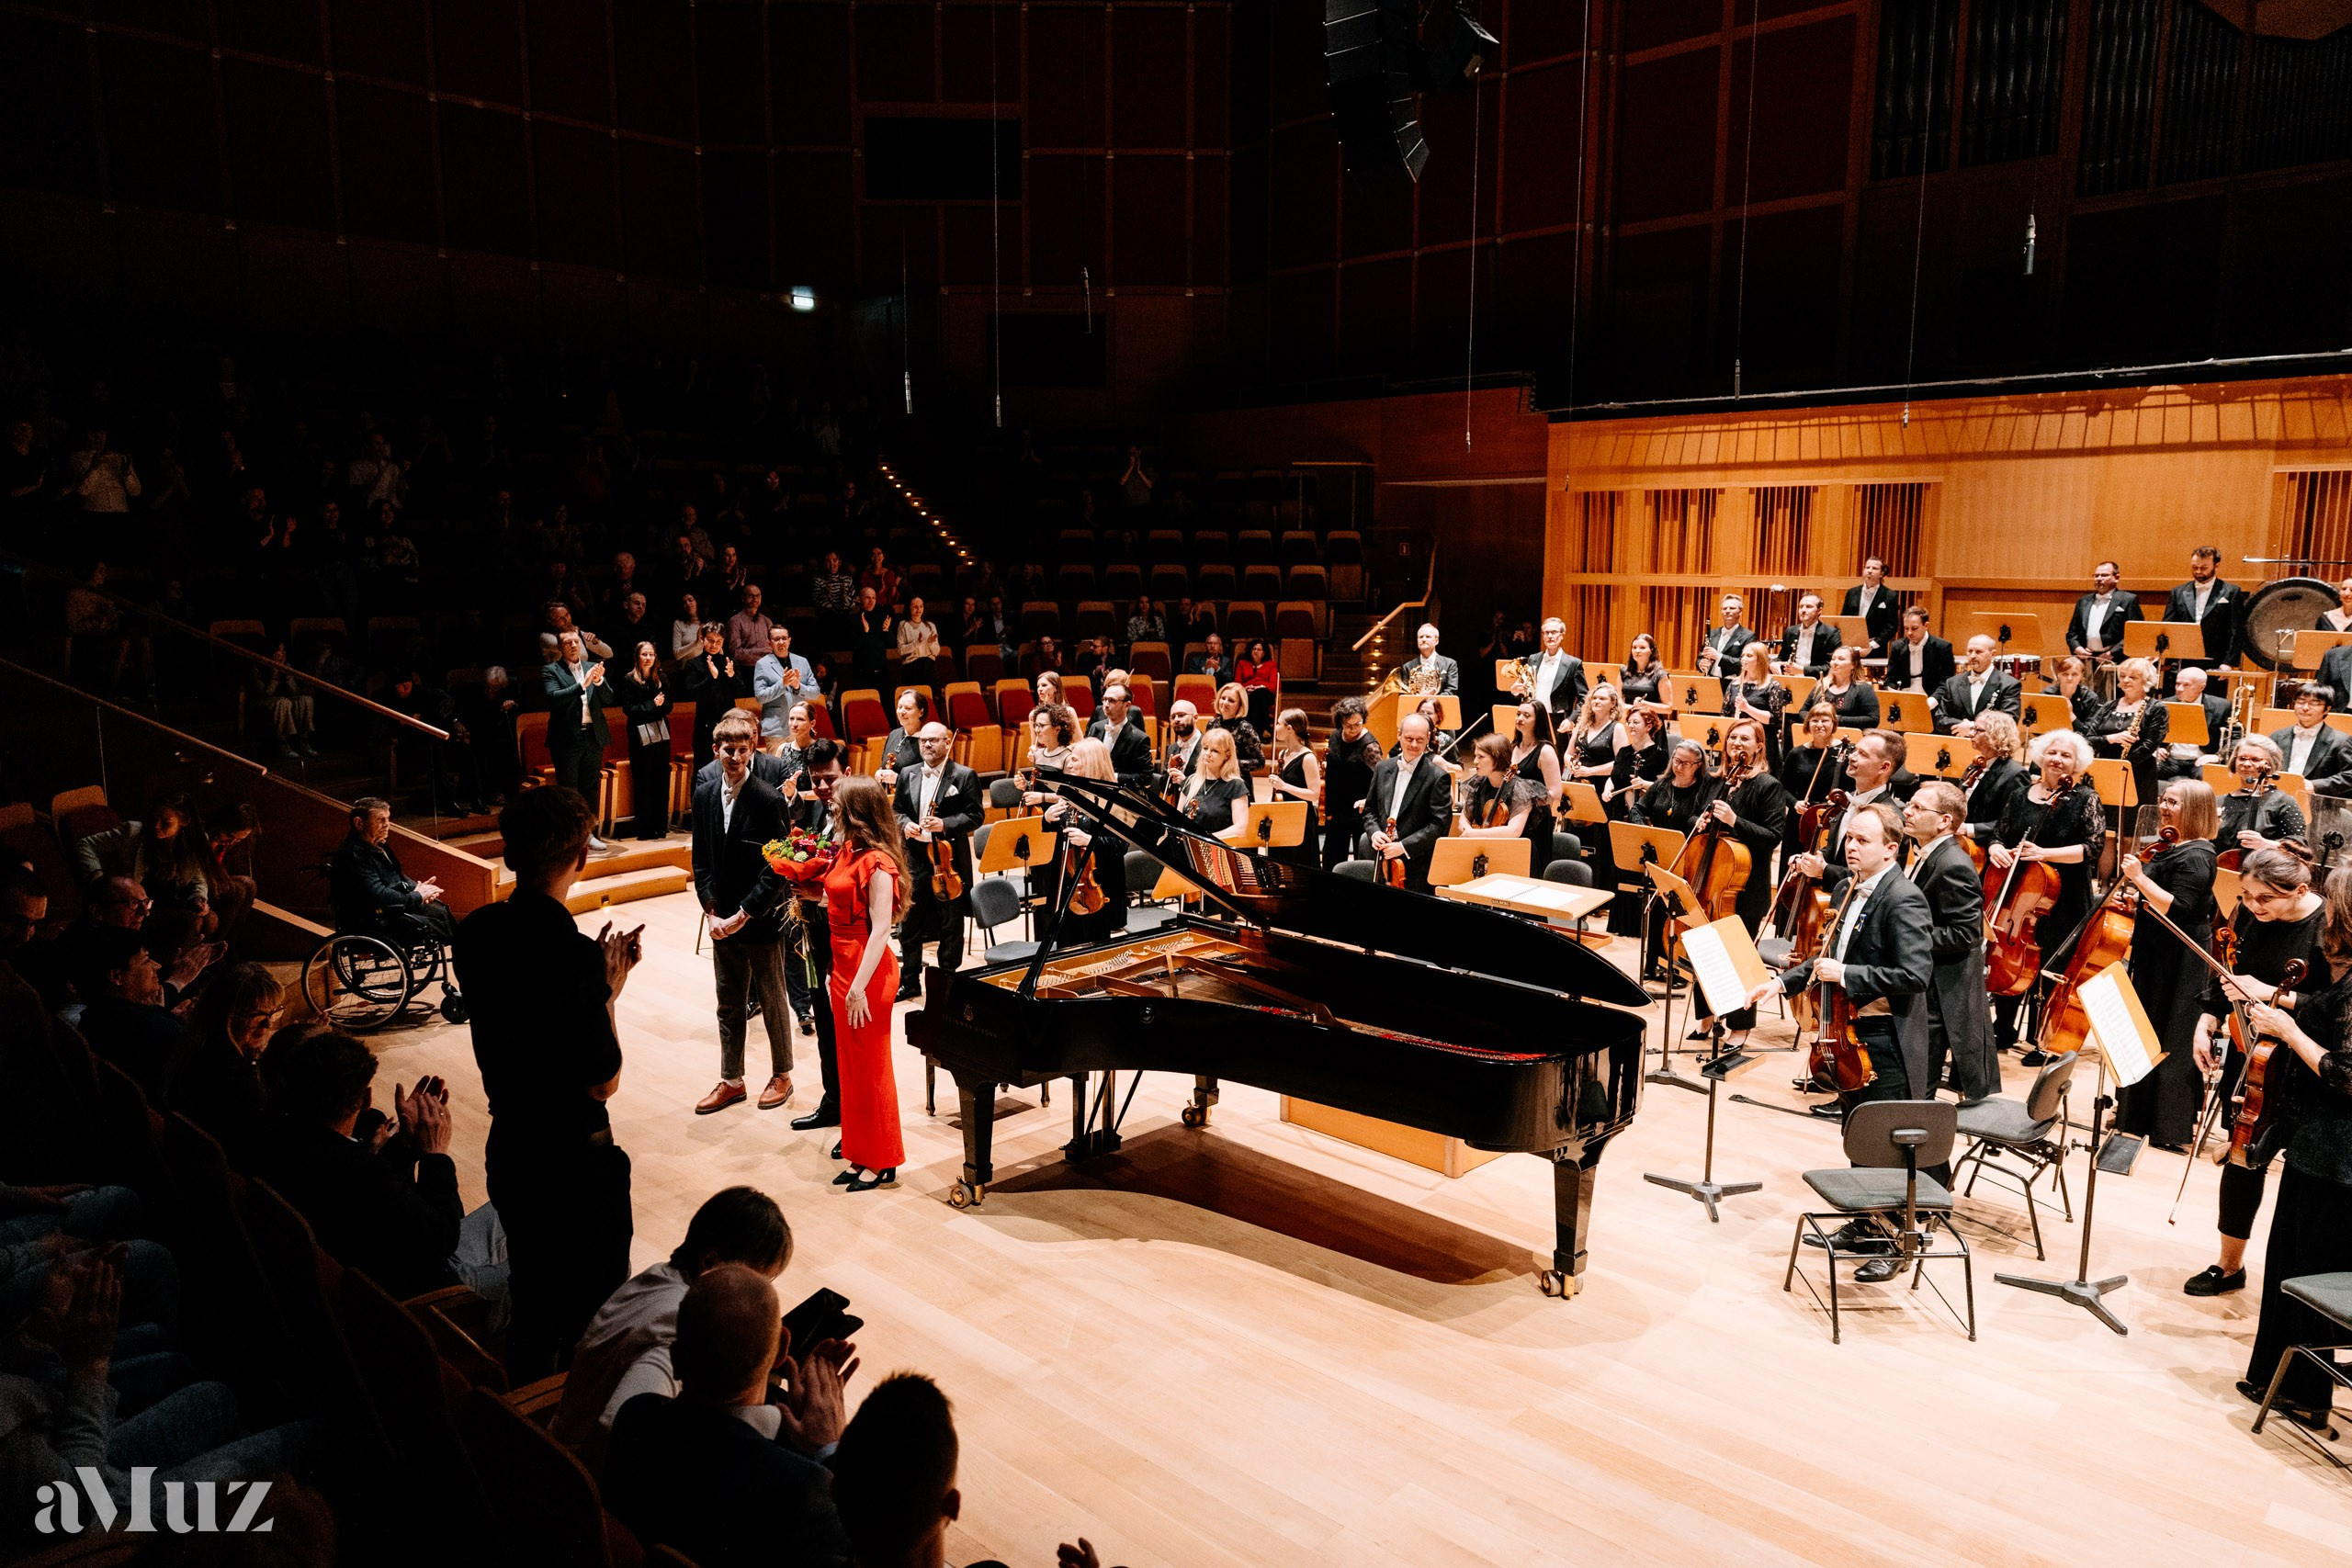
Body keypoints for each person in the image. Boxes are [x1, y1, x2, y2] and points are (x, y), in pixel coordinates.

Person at [452, 787, 640, 1379]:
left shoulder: (476, 933)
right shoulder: (576, 957)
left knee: (532, 1291)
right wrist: (608, 992)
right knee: (591, 1317)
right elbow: (603, 1082)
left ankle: (520, 1417)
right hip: (574, 1167)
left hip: (511, 1144)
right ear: (580, 856)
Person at [1747, 801, 1936, 1283]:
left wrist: (1848, 974)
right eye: (1849, 838)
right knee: (1857, 1132)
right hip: (1849, 1032)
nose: (1850, 847)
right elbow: (1829, 955)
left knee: (1886, 1142)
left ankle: (1896, 1240)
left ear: (1891, 848)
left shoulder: (1904, 897)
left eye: (1862, 840)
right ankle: (1865, 1224)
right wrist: (1783, 983)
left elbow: (1914, 974)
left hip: (1885, 1036)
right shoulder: (1850, 887)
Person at [602, 1264, 854, 1568]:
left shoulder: (636, 1417)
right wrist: (829, 1450)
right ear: (781, 1350)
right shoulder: (805, 1493)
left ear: (677, 1359)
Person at [551, 1185, 800, 1469]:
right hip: (583, 1481)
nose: (758, 1293)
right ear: (710, 1263)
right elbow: (618, 1425)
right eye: (758, 1280)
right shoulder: (680, 1326)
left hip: (562, 1445)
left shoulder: (659, 1275)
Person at [2182, 843, 2329, 1300]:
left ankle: (2311, 1283)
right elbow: (2228, 971)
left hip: (2310, 1066)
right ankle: (2229, 1266)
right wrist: (2207, 1019)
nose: (2251, 907)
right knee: (2242, 1162)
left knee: (2309, 1181)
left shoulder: (2330, 930)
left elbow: (2333, 1012)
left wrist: (2271, 995)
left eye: (2264, 899)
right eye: (2245, 895)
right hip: (2254, 1059)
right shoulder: (2250, 915)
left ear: (2301, 890)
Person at [251, 1031, 493, 1305]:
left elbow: (391, 1203)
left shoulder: (272, 1139)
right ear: (366, 1099)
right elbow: (442, 1237)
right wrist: (435, 1155)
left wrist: (404, 1146)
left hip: (360, 1284)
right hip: (430, 1296)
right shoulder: (359, 1171)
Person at [2234, 869, 2352, 1430]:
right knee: (2289, 1259)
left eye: (2332, 903)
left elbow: (2347, 1074)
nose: (2323, 911)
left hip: (2336, 1153)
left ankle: (2305, 1393)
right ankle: (2275, 1378)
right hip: (2321, 1144)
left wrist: (2286, 1028)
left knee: (2307, 1265)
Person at [693, 710, 796, 1117]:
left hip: (760, 918)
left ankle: (782, 1074)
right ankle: (732, 1079)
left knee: (772, 999)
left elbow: (778, 867)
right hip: (723, 920)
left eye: (742, 749)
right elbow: (701, 859)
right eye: (727, 750)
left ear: (752, 750)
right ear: (716, 750)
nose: (734, 757)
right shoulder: (703, 795)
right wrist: (712, 909)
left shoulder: (768, 799)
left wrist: (744, 913)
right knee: (729, 1002)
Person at [2113, 779, 2222, 1149]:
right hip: (2156, 950)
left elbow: (2179, 909)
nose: (2163, 806)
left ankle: (2167, 1125)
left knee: (2172, 1033)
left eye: (2173, 802)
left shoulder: (2198, 855)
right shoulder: (2174, 847)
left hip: (2180, 954)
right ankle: (2137, 1114)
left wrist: (2139, 879)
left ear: (2192, 810)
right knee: (2147, 1027)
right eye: (2163, 799)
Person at [1986, 730, 2104, 1060]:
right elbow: (1999, 833)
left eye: (2066, 755)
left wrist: (2045, 854)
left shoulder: (2085, 798)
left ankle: (2041, 1039)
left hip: (2061, 894)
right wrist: (1997, 849)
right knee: (2011, 954)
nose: (2057, 759)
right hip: (2020, 890)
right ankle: (2004, 1027)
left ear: (2076, 763)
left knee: (2050, 963)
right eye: (2053, 752)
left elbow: (2092, 848)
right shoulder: (2022, 794)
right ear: (2041, 756)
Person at [826, 776, 907, 1191]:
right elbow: (835, 905)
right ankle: (859, 1151)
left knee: (871, 1065)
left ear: (856, 811)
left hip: (867, 972)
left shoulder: (878, 863)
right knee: (851, 1067)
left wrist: (857, 986)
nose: (832, 809)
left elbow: (881, 932)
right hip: (842, 967)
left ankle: (882, 1158)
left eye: (838, 804)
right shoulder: (847, 851)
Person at [1687, 719, 1788, 1043]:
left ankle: (1740, 1026)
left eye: (1745, 738)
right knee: (1703, 951)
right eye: (1733, 738)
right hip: (1709, 879)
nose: (1737, 744)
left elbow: (1773, 836)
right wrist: (1699, 820)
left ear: (1759, 745)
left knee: (1738, 957)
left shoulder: (1768, 785)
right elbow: (1692, 814)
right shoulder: (1716, 780)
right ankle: (1705, 1018)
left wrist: (1735, 820)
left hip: (1744, 885)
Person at [1902, 783, 1997, 1105]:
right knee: (1914, 1080)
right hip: (1927, 984)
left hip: (1939, 993)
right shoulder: (1928, 853)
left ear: (1944, 821)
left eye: (1917, 808)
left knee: (1920, 1087)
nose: (1907, 811)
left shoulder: (1953, 864)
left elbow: (1966, 934)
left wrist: (1907, 938)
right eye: (1909, 804)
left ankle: (1920, 1147)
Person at [784, 740, 850, 1133]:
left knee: (845, 1033)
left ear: (847, 771)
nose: (823, 786)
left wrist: (820, 895)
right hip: (819, 936)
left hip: (847, 943)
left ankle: (853, 1114)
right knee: (825, 1023)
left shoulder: (861, 818)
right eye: (816, 779)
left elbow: (871, 891)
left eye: (830, 778)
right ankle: (833, 1101)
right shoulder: (818, 812)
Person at [894, 723, 979, 998]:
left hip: (948, 859)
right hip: (915, 859)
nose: (927, 745)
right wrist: (905, 824)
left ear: (946, 742)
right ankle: (909, 980)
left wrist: (944, 823)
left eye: (933, 740)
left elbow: (976, 816)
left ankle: (948, 981)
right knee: (910, 923)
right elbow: (896, 811)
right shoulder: (907, 774)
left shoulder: (964, 776)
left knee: (950, 924)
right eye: (923, 741)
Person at [165, 962, 282, 1159]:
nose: (269, 1023)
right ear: (228, 1015)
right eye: (257, 1015)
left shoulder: (194, 1045)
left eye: (273, 1012)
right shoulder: (238, 1081)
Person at [73, 928, 186, 1101]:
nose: (157, 965)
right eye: (146, 960)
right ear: (117, 976)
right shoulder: (156, 1029)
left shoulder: (91, 1019)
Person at [329, 796, 456, 949]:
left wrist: (420, 889)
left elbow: (397, 876)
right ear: (359, 823)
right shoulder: (353, 855)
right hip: (371, 918)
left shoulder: (380, 844)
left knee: (441, 910)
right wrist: (416, 896)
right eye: (381, 820)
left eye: (388, 819)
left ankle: (465, 946)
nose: (387, 825)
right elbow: (377, 894)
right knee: (436, 926)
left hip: (388, 909)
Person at [1042, 738, 1130, 944]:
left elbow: (1121, 845)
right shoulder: (1069, 793)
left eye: (1074, 760)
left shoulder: (1113, 800)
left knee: (1096, 948)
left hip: (1098, 886)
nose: (1069, 764)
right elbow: (1062, 831)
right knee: (1065, 945)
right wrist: (1047, 819)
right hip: (1068, 883)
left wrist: (1090, 840)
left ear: (1091, 762)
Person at [541, 630, 613, 843]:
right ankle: (571, 836)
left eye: (576, 641)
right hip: (567, 739)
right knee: (569, 789)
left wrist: (599, 682)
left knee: (590, 787)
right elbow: (554, 698)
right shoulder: (551, 670)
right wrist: (582, 685)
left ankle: (588, 833)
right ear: (560, 648)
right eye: (568, 642)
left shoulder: (592, 668)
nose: (573, 645)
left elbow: (609, 698)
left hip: (593, 735)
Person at [2083, 656, 2169, 813]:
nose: (2126, 680)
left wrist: (2122, 766)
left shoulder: (2156, 708)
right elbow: (2088, 739)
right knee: (2105, 827)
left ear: (2146, 680)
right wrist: (2111, 739)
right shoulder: (2109, 706)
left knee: (2130, 832)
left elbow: (2149, 746)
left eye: (2133, 677)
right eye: (2122, 676)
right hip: (2105, 772)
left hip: (2137, 774)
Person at [616, 642, 674, 841]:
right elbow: (629, 710)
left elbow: (669, 706)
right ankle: (645, 828)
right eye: (644, 654)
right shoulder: (629, 680)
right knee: (643, 780)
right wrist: (652, 705)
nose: (648, 658)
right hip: (640, 735)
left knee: (661, 779)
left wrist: (662, 704)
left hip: (661, 734)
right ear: (637, 657)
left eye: (651, 654)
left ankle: (660, 826)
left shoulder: (662, 678)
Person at [1320, 697, 1382, 874]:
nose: (1353, 729)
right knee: (1332, 854)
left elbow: (1380, 777)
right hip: (1338, 805)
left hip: (1360, 808)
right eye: (1348, 725)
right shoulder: (1335, 736)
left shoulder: (1370, 746)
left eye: (1358, 724)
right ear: (1340, 722)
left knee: (1359, 854)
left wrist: (1368, 800)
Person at [2218, 735, 2306, 855]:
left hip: (2264, 869)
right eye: (2242, 758)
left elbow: (2301, 848)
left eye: (2255, 760)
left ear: (2270, 764)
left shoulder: (2283, 802)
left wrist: (2265, 844)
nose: (2247, 764)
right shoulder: (2219, 801)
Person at [2160, 544, 2242, 673]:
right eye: (2194, 567)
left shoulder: (2231, 592)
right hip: (2182, 660)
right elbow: (2167, 626)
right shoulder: (2178, 592)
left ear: (2216, 566)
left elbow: (2236, 630)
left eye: (2204, 568)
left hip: (2215, 661)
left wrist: (2228, 662)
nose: (2198, 571)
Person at [1506, 701, 1562, 876]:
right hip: (1510, 817)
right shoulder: (1511, 746)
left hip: (1535, 822)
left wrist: (1526, 800)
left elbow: (1555, 793)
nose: (1520, 718)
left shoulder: (1545, 751)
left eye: (1526, 715)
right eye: (1518, 714)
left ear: (1538, 721)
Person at [1961, 711, 2030, 843]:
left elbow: (2012, 822)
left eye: (1978, 730)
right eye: (1972, 729)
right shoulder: (1975, 765)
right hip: (1963, 840)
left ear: (1996, 735)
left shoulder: (2015, 774)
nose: (1971, 734)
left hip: (1987, 845)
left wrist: (1968, 829)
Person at [2270, 682, 2352, 792]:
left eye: (2313, 704)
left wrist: (2316, 786)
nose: (2305, 708)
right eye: (2300, 702)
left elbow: (2349, 774)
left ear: (2327, 709)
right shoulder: (2277, 736)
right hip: (2280, 798)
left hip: (2318, 802)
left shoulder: (2341, 741)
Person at [679, 621, 741, 762]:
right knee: (702, 768)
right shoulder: (693, 664)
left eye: (719, 641)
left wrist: (732, 676)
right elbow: (690, 692)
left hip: (728, 724)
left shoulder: (729, 662)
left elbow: (740, 690)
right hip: (705, 725)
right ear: (702, 639)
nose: (714, 645)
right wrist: (711, 678)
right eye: (710, 640)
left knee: (729, 766)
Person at [1932, 634, 2020, 733]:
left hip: (1991, 745)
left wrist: (1972, 727)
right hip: (1957, 743)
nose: (1973, 656)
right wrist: (1962, 727)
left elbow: (2009, 722)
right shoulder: (1953, 683)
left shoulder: (2009, 684)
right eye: (1970, 651)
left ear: (1993, 654)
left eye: (1978, 652)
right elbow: (1940, 719)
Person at [1513, 616, 1587, 734]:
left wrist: (1571, 720)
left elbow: (1584, 698)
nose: (1550, 636)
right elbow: (1527, 691)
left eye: (1554, 632)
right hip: (1532, 718)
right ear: (1543, 636)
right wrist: (1516, 691)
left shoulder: (1573, 663)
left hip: (1558, 720)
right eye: (1546, 633)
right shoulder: (1533, 659)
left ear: (1562, 635)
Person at [2064, 559, 2142, 670]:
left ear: (2117, 578)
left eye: (2104, 575)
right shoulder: (2083, 601)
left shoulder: (2128, 600)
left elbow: (2135, 633)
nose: (2099, 579)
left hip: (2115, 661)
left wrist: (2111, 653)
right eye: (2096, 576)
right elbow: (2072, 633)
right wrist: (2078, 648)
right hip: (2086, 660)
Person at [1723, 642, 1790, 767]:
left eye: (1749, 656)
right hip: (1737, 741)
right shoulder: (1734, 684)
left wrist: (1747, 708)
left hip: (1762, 742)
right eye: (1743, 656)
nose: (1744, 659)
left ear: (1760, 660)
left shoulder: (1772, 686)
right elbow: (1724, 714)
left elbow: (1774, 719)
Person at [2163, 664, 2234, 777]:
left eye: (2186, 685)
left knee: (2207, 778)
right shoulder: (2165, 704)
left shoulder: (2221, 706)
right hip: (2170, 760)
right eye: (2177, 684)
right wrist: (2157, 749)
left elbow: (2236, 737)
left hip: (2201, 761)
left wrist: (2218, 756)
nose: (2179, 689)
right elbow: (2151, 732)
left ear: (2201, 687)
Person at [1178, 728, 1250, 839]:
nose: (1207, 754)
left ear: (1227, 755)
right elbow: (1177, 820)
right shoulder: (1190, 781)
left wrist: (1205, 839)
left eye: (1215, 751)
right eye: (1205, 748)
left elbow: (1240, 829)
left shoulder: (1235, 786)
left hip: (1215, 849)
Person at [754, 625, 818, 749]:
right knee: (777, 767)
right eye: (776, 639)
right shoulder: (762, 664)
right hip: (776, 728)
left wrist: (798, 686)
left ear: (789, 640)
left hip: (800, 727)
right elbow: (760, 697)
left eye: (784, 638)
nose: (781, 642)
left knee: (801, 766)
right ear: (769, 643)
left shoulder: (802, 661)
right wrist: (782, 684)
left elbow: (815, 692)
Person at [250, 644, 319, 758]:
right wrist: (274, 673)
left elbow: (295, 691)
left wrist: (289, 678)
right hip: (262, 700)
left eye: (284, 651)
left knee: (305, 700)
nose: (283, 654)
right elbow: (267, 693)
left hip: (284, 697)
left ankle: (304, 742)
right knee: (282, 703)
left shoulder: (287, 665)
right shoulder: (257, 667)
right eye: (280, 652)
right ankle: (282, 744)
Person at [1091, 682, 1155, 789]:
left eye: (1112, 700)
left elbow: (1146, 777)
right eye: (1104, 699)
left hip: (1120, 795)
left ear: (1127, 705)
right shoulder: (1095, 728)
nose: (1106, 704)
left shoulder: (1139, 739)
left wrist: (1113, 776)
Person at [1883, 605, 1955, 694]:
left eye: (1914, 628)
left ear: (1926, 625)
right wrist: (1891, 692)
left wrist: (1932, 701)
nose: (1909, 633)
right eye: (1906, 628)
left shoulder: (1943, 647)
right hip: (1906, 698)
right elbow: (1891, 678)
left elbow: (1946, 681)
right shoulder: (1898, 646)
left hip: (1933, 698)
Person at [1841, 558, 1902, 657]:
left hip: (1876, 648)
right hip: (1851, 647)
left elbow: (1892, 626)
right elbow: (1844, 619)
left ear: (1882, 573)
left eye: (1874, 568)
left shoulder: (1890, 595)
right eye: (1867, 567)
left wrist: (1872, 646)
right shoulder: (1851, 592)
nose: (1869, 570)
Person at [1812, 645, 1880, 731]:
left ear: (1853, 665)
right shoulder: (1821, 684)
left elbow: (1873, 720)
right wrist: (1815, 718)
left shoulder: (1864, 689)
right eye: (1833, 659)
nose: (1835, 663)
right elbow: (1803, 712)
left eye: (1841, 659)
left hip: (1848, 737)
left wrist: (1836, 719)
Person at [1773, 592, 1840, 679]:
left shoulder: (1831, 634)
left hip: (1818, 682)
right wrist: (1773, 663)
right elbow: (1782, 658)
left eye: (1809, 606)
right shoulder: (1790, 631)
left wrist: (1803, 670)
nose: (1803, 610)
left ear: (1819, 611)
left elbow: (1831, 667)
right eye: (1801, 606)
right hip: (1791, 679)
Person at [1209, 682, 1264, 777]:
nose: (1225, 703)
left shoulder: (1246, 728)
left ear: (1240, 705)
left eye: (1231, 700)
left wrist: (1231, 763)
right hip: (1214, 778)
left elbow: (1260, 762)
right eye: (1223, 698)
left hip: (1237, 781)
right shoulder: (1212, 724)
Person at [876, 690, 928, 790]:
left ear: (921, 712)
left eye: (908, 708)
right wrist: (880, 773)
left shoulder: (928, 741)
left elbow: (929, 780)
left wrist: (898, 779)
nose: (902, 712)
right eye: (899, 707)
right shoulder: (894, 734)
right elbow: (883, 764)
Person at [1386, 622, 1458, 694]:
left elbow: (1451, 690)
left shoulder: (1449, 664)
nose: (1424, 639)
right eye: (1421, 637)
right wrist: (1419, 697)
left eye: (1428, 636)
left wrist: (1430, 698)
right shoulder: (1407, 667)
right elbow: (1403, 695)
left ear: (1436, 641)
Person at [1695, 594, 1754, 678]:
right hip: (1710, 681)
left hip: (1732, 684)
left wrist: (1718, 656)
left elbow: (1745, 664)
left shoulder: (1748, 636)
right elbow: (1700, 657)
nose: (1727, 611)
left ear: (1740, 612)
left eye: (1732, 608)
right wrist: (1701, 664)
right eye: (1724, 608)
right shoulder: (1712, 633)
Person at [725, 583, 775, 672]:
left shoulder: (767, 621)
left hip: (766, 668)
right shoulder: (735, 621)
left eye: (757, 596)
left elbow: (773, 650)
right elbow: (736, 653)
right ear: (743, 598)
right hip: (745, 670)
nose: (755, 599)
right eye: (751, 596)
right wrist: (762, 651)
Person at [2042, 654, 2099, 730]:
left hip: (2078, 739)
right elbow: (2038, 726)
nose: (2069, 678)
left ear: (2081, 676)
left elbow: (2089, 732)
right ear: (2059, 675)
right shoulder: (2047, 694)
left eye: (2074, 674)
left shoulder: (2090, 698)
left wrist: (2070, 714)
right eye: (2065, 674)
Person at [897, 594, 941, 693]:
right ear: (909, 607)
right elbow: (901, 651)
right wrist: (917, 643)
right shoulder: (904, 625)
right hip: (911, 667)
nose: (918, 609)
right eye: (915, 606)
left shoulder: (930, 625)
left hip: (928, 666)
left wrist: (930, 643)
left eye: (921, 606)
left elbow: (936, 652)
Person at [1236, 637, 1279, 730]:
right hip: (1246, 693)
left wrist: (1259, 686)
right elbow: (1237, 683)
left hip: (1266, 694)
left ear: (1264, 653)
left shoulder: (1271, 665)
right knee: (1254, 698)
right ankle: (1262, 730)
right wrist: (1246, 688)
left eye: (1259, 650)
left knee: (1259, 694)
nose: (1256, 651)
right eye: (1254, 649)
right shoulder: (1242, 663)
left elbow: (1274, 686)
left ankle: (1249, 730)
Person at [1620, 633, 1670, 712]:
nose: (1637, 651)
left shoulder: (1660, 675)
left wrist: (1645, 705)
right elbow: (1617, 702)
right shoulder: (1624, 672)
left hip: (1651, 721)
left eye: (1642, 648)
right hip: (1629, 720)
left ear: (1651, 650)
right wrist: (1631, 708)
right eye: (1634, 647)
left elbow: (1668, 709)